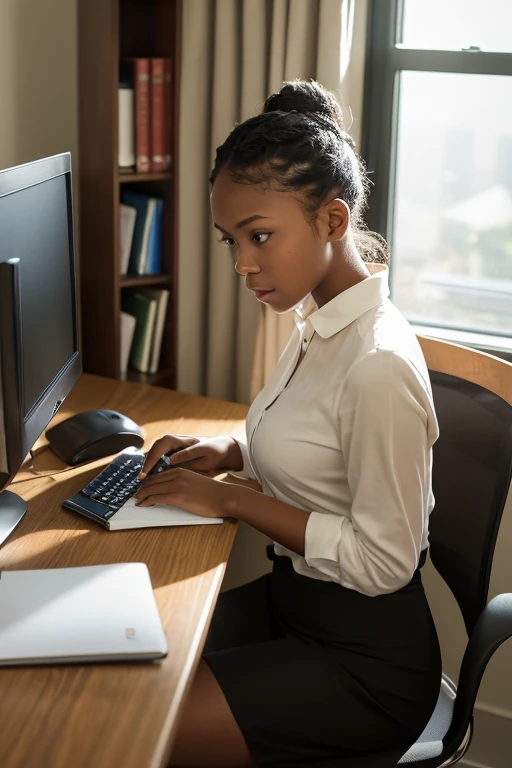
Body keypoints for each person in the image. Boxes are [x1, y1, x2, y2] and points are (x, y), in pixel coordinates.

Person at [135, 79, 442, 768]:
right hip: (295, 606)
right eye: (231, 240)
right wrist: (229, 451)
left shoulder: (376, 363)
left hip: (365, 665)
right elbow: (323, 446)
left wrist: (233, 502)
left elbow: (385, 561)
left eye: (260, 236)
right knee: (118, 661)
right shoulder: (316, 324)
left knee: (127, 727)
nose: (243, 264)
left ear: (332, 222)